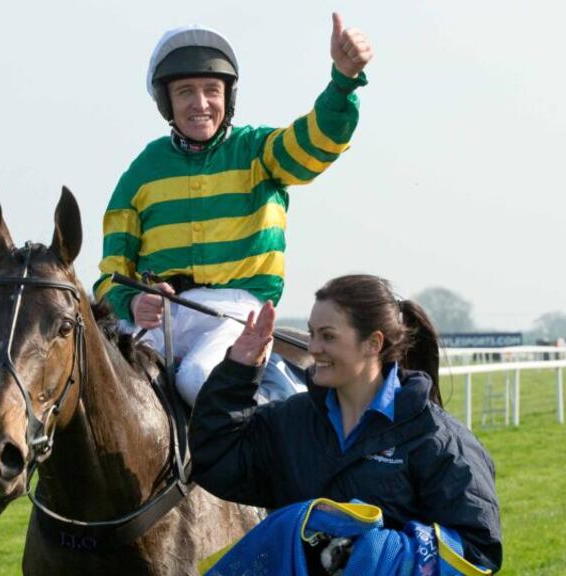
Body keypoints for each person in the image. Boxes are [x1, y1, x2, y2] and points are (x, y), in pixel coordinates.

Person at [93, 13, 373, 406]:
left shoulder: (258, 151)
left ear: (229, 96)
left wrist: (343, 81)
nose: (200, 103)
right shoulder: (140, 173)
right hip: (160, 319)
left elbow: (317, 143)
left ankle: (270, 429)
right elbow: (111, 275)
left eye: (212, 90)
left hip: (237, 313)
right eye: (185, 92)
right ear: (167, 101)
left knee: (196, 377)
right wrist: (133, 301)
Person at [190, 275, 502, 572]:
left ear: (373, 343)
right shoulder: (290, 419)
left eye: (328, 336)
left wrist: (360, 550)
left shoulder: (440, 439)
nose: (313, 348)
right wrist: (238, 371)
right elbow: (217, 459)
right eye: (312, 333)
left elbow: (477, 553)